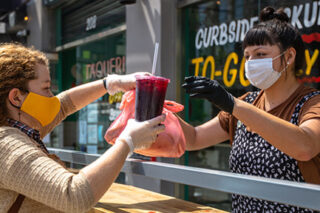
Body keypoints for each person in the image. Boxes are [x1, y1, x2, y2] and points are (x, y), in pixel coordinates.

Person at [180, 7, 320, 212]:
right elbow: (193, 138)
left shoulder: (311, 103)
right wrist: (157, 106)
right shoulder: (248, 101)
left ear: (289, 57)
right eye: (247, 56)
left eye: (261, 54)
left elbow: (305, 146)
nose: (251, 62)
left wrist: (232, 104)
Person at [0, 43, 166, 213]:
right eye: (46, 88)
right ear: (16, 97)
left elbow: (64, 105)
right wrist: (127, 142)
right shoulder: (7, 146)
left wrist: (110, 83)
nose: (51, 97)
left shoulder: (19, 127)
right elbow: (73, 196)